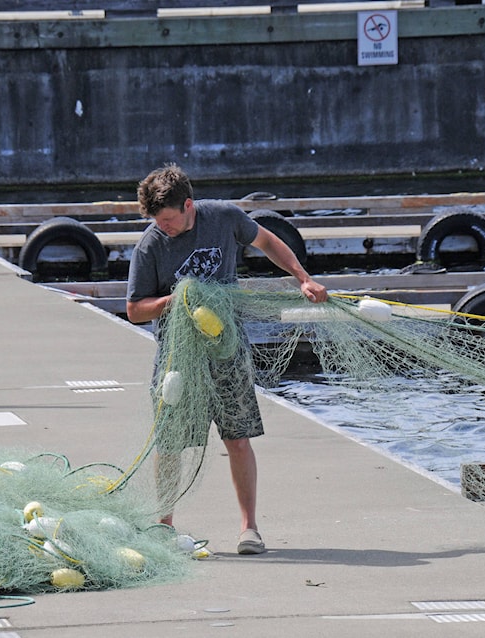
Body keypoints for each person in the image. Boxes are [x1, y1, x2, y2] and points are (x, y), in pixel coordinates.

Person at [126, 164, 328, 555]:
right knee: (170, 443)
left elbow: (268, 242)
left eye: (167, 220)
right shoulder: (150, 246)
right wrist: (176, 300)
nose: (162, 227)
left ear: (188, 206)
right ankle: (163, 526)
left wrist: (303, 277)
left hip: (228, 351)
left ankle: (249, 529)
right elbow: (135, 309)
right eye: (157, 221)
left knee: (237, 439)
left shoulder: (223, 217)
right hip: (177, 360)